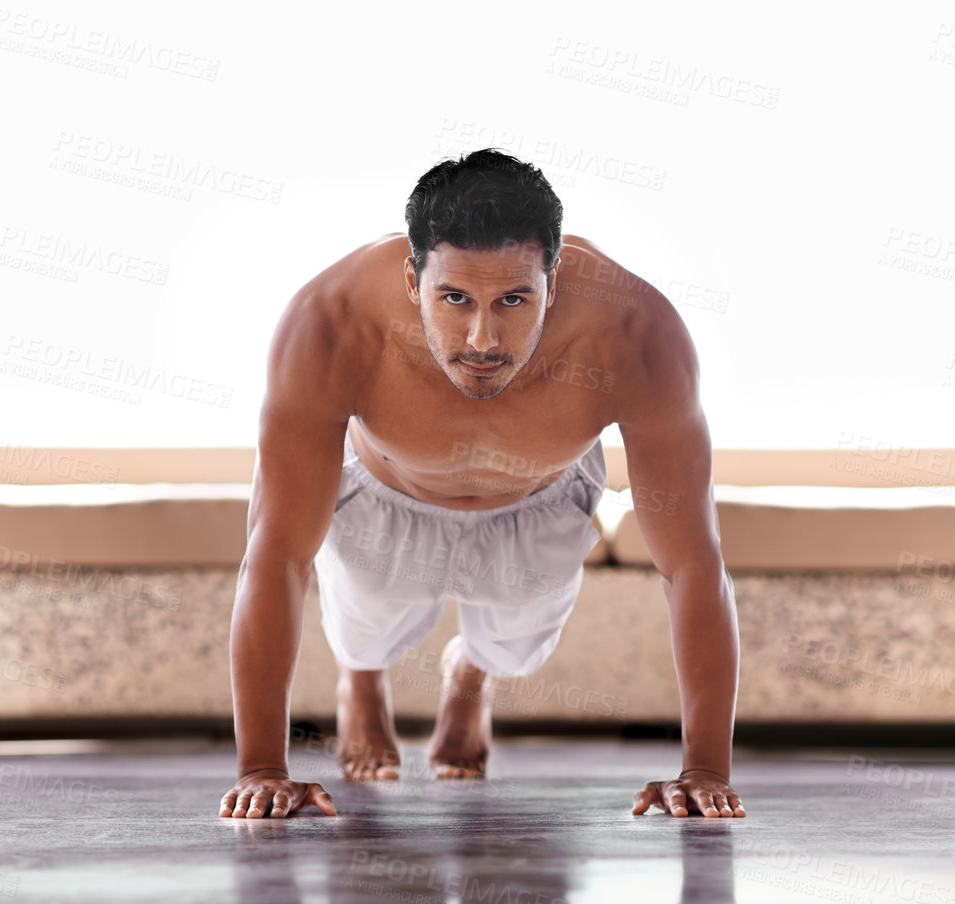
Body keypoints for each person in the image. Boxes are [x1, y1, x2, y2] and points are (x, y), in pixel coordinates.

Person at [219, 148, 743, 820]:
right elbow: (276, 554)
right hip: (384, 497)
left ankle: (469, 672)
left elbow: (691, 560)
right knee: (362, 631)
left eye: (514, 299)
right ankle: (362, 676)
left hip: (541, 496)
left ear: (552, 280)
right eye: (455, 298)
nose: (482, 338)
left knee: (516, 652)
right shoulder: (330, 320)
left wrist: (703, 770)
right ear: (413, 280)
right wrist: (262, 768)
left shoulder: (636, 333)